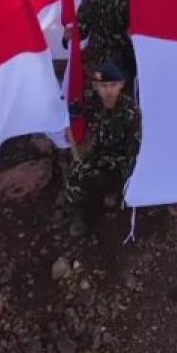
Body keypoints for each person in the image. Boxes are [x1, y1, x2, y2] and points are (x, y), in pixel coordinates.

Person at [65, 62, 142, 237]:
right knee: (75, 174)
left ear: (121, 85)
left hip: (122, 160)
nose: (108, 91)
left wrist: (131, 180)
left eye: (113, 85)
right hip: (99, 156)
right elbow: (71, 110)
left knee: (120, 179)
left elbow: (135, 151)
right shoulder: (92, 101)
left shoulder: (131, 112)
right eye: (103, 86)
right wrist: (62, 113)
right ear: (96, 86)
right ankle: (80, 213)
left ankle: (116, 197)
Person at [74, 0, 134, 83]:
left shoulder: (134, 1)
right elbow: (81, 32)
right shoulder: (91, 1)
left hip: (124, 59)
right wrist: (70, 34)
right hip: (97, 59)